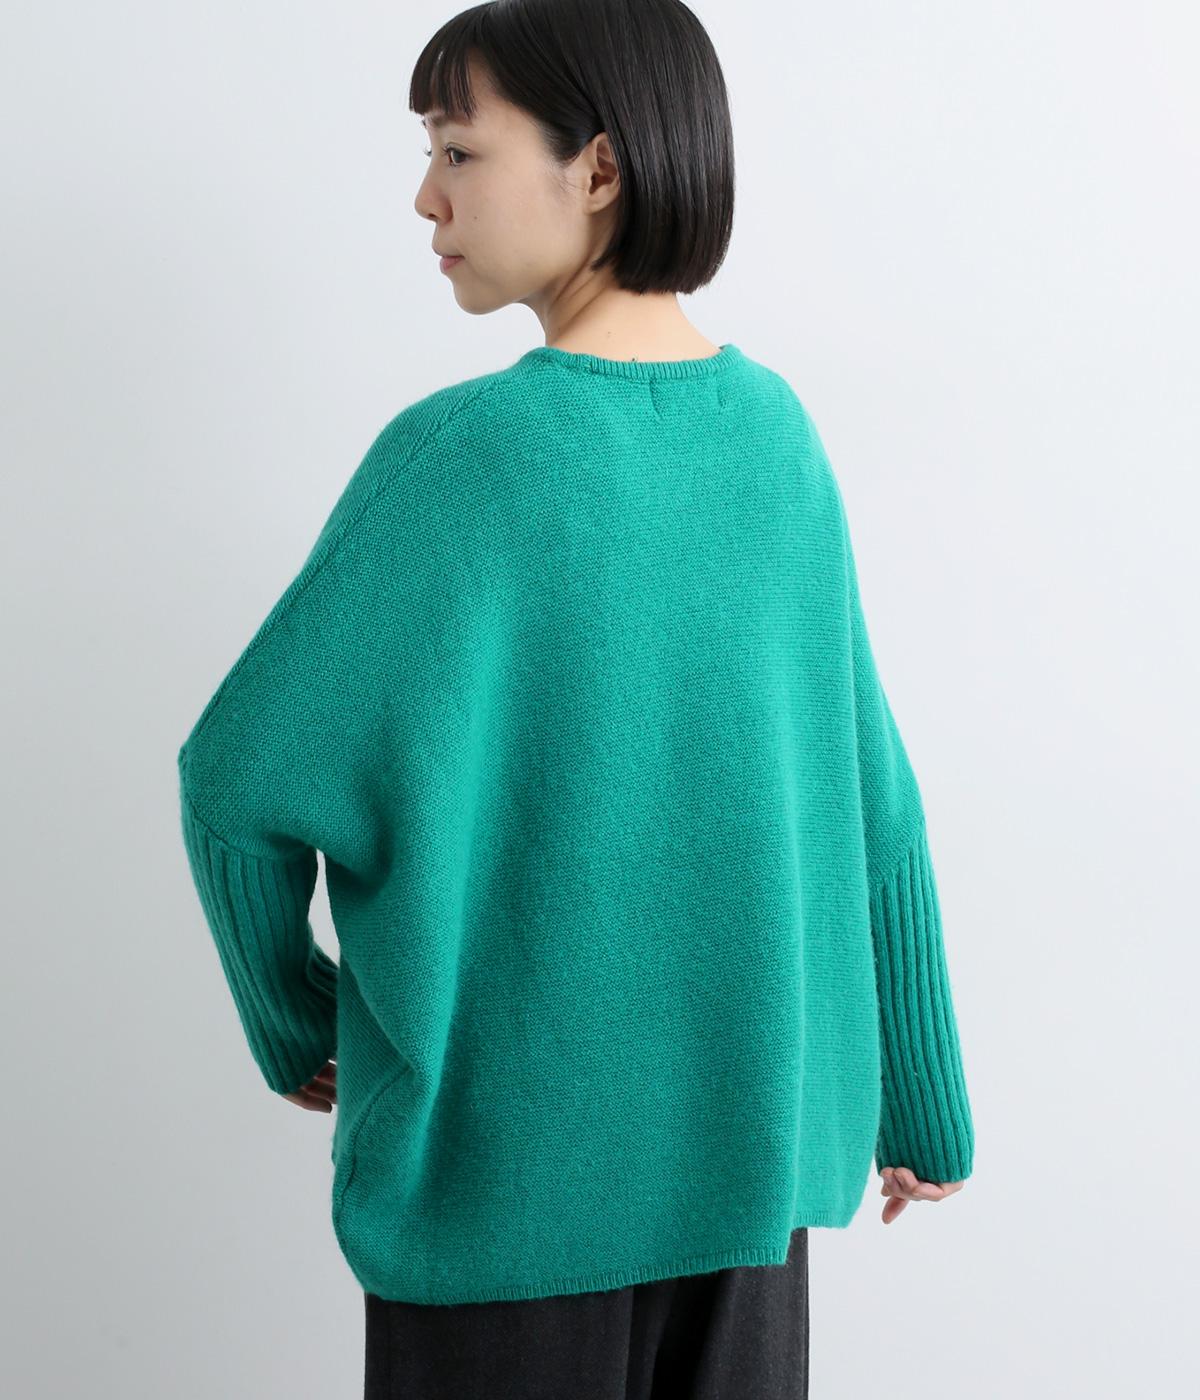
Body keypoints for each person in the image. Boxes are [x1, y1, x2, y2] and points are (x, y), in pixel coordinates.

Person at [176, 2, 974, 1396]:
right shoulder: (776, 438)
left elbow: (236, 779)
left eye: (458, 150)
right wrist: (925, 1099)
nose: (426, 197)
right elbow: (873, 800)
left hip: (507, 1208)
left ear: (597, 167)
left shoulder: (458, 459)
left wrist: (296, 1018)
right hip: (749, 1187)